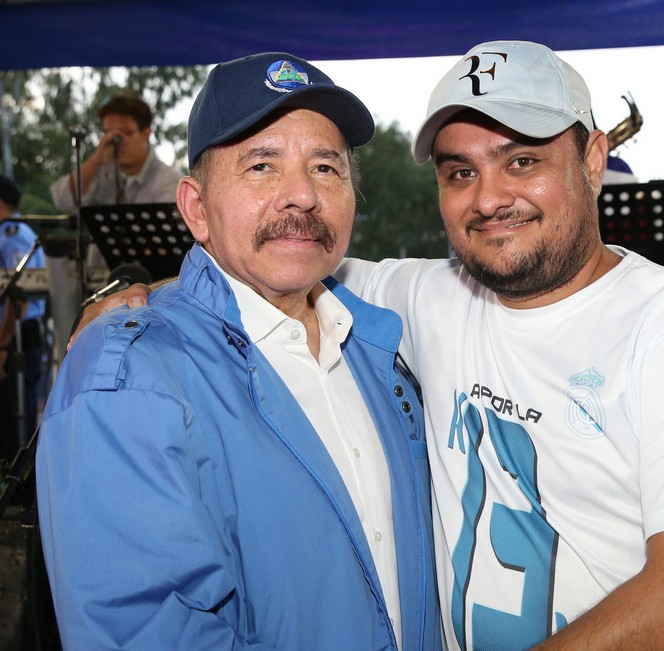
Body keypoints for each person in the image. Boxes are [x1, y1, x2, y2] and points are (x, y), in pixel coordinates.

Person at [77, 41, 664, 650]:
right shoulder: (424, 297)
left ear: (593, 159)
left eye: (522, 160)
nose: (489, 198)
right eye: (459, 172)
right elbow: (270, 255)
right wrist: (135, 292)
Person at [36, 52, 441, 650]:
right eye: (261, 166)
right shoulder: (128, 377)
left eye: (325, 167)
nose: (302, 194)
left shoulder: (382, 343)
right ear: (196, 209)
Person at [50, 94, 182, 211]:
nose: (117, 141)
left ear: (146, 134)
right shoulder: (99, 173)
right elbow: (63, 200)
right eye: (108, 133)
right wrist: (97, 158)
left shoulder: (168, 181)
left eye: (127, 133)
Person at [0, 174, 47, 460]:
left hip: (17, 336)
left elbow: (20, 297)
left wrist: (3, 345)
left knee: (15, 418)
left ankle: (18, 477)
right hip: (13, 335)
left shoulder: (13, 235)